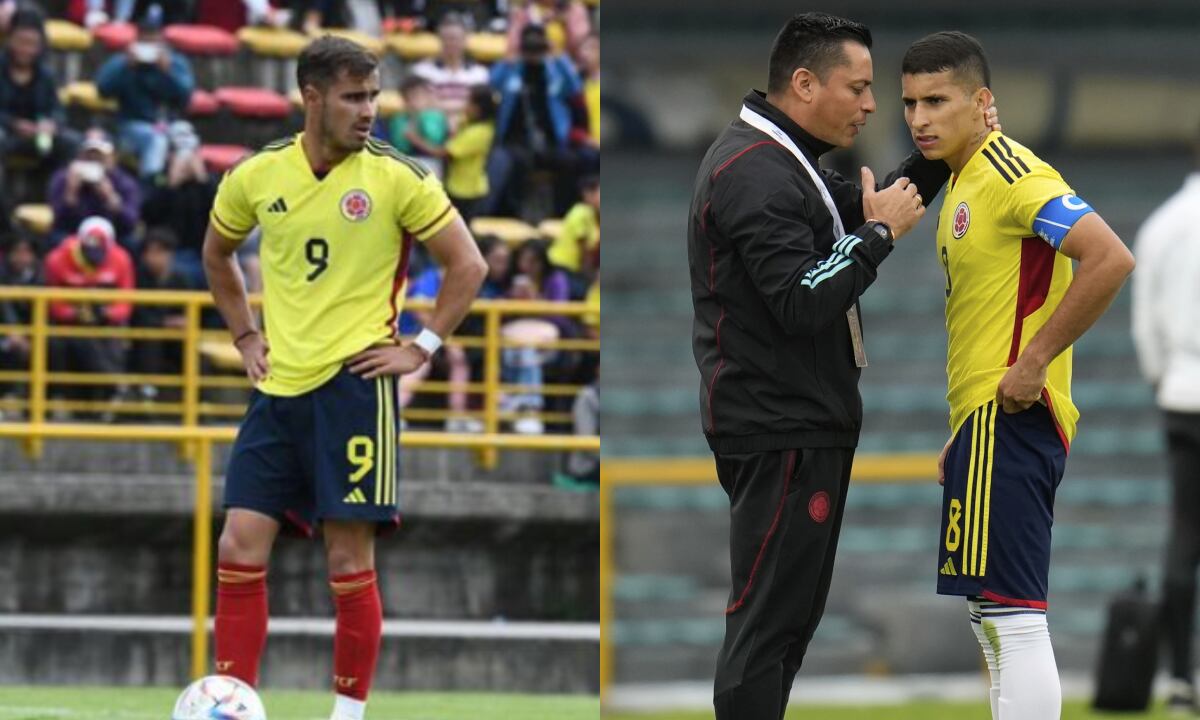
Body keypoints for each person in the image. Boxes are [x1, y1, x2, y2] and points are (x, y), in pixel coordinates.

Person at [687, 13, 970, 720]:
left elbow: (885, 204)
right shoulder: (752, 171)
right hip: (779, 426)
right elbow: (801, 297)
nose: (873, 106)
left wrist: (949, 141)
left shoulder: (788, 160)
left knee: (785, 628)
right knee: (764, 629)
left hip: (800, 423)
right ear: (805, 83)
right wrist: (876, 236)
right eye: (861, 87)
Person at [202, 36, 486, 720]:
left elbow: (467, 265)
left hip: (356, 391)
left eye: (374, 96)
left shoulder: (397, 176)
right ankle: (232, 702)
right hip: (278, 390)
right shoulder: (257, 175)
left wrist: (419, 346)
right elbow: (217, 253)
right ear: (312, 98)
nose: (369, 111)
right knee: (238, 543)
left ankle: (347, 715)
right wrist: (245, 335)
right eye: (354, 97)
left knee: (346, 562)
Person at [898, 31, 1135, 720]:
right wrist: (969, 425)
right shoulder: (962, 184)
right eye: (910, 102)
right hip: (985, 421)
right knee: (992, 615)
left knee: (1012, 616)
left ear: (982, 102)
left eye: (937, 100)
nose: (919, 118)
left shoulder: (1009, 172)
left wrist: (1031, 364)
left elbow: (1109, 257)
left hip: (1016, 418)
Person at [1131, 126, 1200, 713]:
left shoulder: (1162, 224)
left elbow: (1144, 323)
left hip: (1182, 393)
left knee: (1184, 534)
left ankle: (1181, 677)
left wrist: (1164, 379)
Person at [44, 216, 136, 416]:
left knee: (111, 342)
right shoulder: (57, 259)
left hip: (106, 323)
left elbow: (125, 303)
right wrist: (74, 313)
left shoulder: (122, 260)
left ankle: (110, 395)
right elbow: (53, 303)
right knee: (69, 342)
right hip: (68, 324)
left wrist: (106, 313)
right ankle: (116, 385)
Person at [95, 10, 195, 179]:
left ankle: (178, 192)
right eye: (144, 39)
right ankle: (151, 189)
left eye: (153, 38)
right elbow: (102, 90)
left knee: (187, 140)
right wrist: (126, 67)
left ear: (162, 39)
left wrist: (167, 72)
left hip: (168, 124)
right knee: (156, 139)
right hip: (132, 126)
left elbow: (185, 98)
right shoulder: (123, 61)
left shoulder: (174, 62)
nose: (149, 43)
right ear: (137, 39)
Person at [0, 7, 78, 200]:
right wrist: (14, 124)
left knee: (73, 143)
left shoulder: (46, 75)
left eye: (32, 44)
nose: (26, 50)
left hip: (38, 136)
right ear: (10, 40)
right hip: (7, 133)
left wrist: (50, 124)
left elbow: (57, 110)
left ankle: (57, 202)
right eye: (21, 42)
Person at [47, 129, 141, 249]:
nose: (94, 159)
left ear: (112, 157)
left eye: (99, 156)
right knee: (56, 238)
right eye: (89, 155)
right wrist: (71, 193)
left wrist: (111, 198)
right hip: (74, 235)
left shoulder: (124, 182)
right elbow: (57, 219)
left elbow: (130, 223)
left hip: (112, 236)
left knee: (130, 242)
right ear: (80, 155)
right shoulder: (64, 177)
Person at [410, 13, 491, 120]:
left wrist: (439, 106)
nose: (451, 43)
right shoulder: (422, 71)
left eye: (455, 39)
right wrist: (461, 107)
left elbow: (479, 108)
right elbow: (420, 105)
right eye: (447, 38)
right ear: (439, 40)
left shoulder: (480, 73)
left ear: (465, 40)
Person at [388, 75, 449, 177]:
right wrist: (414, 117)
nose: (418, 100)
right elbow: (401, 146)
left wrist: (416, 138)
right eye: (412, 96)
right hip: (406, 165)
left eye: (421, 95)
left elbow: (436, 141)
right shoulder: (398, 119)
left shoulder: (436, 117)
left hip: (432, 165)